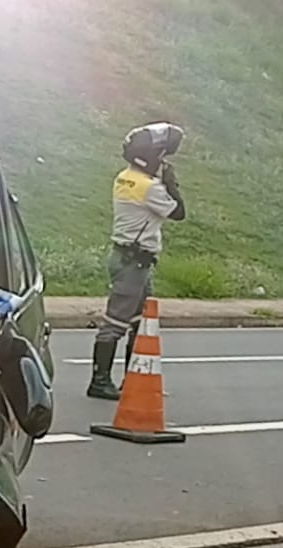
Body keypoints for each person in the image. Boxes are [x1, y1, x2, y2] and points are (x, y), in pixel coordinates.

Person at [88, 122, 187, 401]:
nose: (163, 161)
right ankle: (99, 381)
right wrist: (171, 182)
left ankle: (133, 380)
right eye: (161, 156)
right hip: (135, 262)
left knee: (140, 322)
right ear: (149, 157)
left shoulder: (124, 177)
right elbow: (179, 212)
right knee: (115, 322)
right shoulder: (149, 188)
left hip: (126, 258)